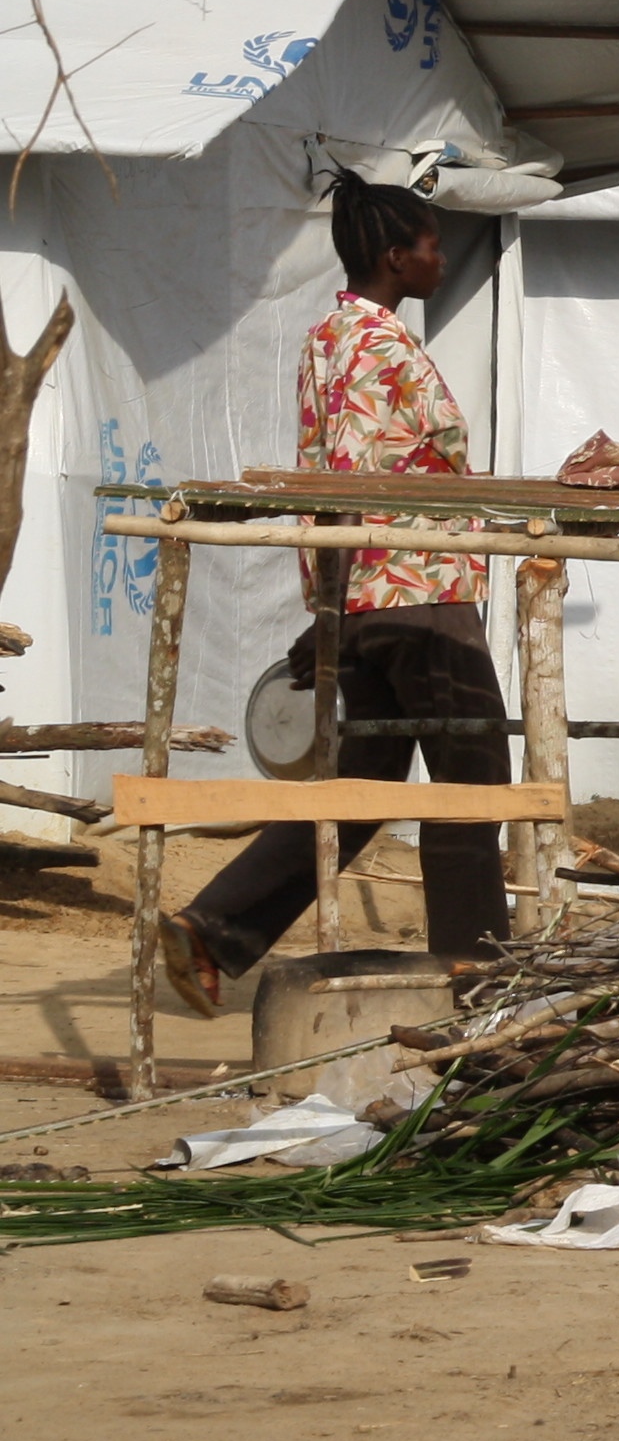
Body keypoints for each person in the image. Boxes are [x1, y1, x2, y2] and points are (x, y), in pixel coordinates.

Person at [156, 178, 513, 1003]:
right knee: (473, 775)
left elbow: (339, 474)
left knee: (365, 783)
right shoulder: (380, 346)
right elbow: (356, 478)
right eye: (429, 244)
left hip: (359, 597)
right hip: (413, 591)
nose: (441, 256)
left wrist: (328, 609)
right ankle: (477, 977)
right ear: (396, 256)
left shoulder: (327, 336)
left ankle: (215, 924)